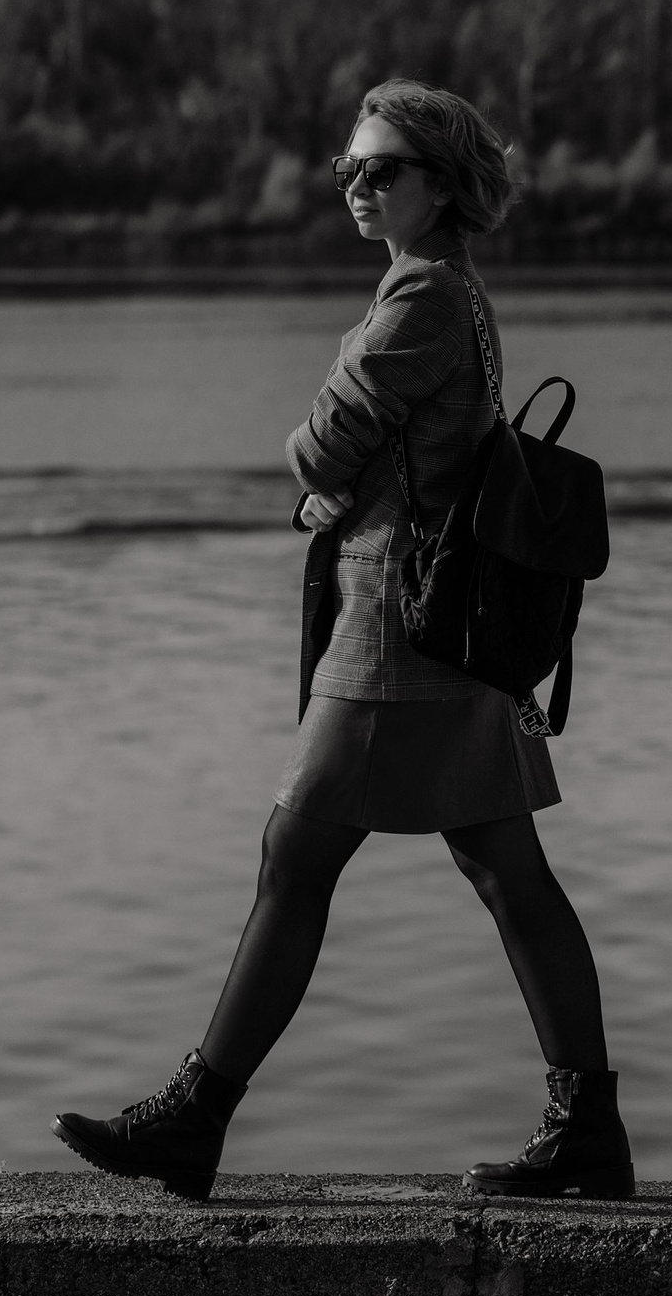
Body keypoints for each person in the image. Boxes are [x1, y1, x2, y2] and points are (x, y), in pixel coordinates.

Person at [52, 80, 631, 1204]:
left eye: (384, 171)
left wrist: (319, 470)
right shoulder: (443, 291)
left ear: (444, 184)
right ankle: (586, 1130)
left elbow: (319, 450)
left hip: (396, 633)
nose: (359, 188)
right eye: (348, 170)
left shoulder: (420, 302)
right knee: (505, 873)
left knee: (297, 859)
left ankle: (196, 1116)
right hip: (435, 622)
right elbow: (388, 452)